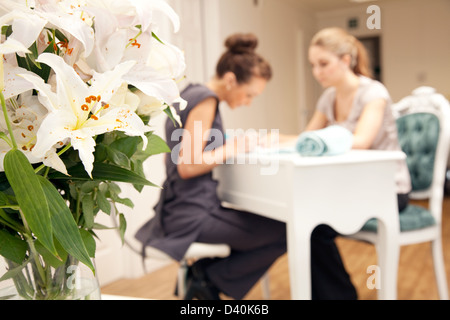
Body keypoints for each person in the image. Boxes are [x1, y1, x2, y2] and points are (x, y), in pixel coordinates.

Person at [135, 33, 287, 300]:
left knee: (267, 232)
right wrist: (235, 147)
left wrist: (224, 147)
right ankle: (206, 280)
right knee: (284, 232)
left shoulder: (188, 93)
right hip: (193, 214)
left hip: (175, 209)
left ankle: (204, 278)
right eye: (249, 94)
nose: (248, 101)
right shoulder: (206, 100)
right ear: (230, 80)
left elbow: (169, 157)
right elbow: (187, 166)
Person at [301, 27, 412, 299]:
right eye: (313, 66)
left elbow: (361, 140)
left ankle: (340, 295)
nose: (317, 72)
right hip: (351, 187)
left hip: (388, 189)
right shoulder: (328, 98)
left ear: (346, 60)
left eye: (323, 64)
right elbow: (308, 136)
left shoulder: (374, 92)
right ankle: (339, 294)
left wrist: (316, 141)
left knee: (313, 226)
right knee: (305, 222)